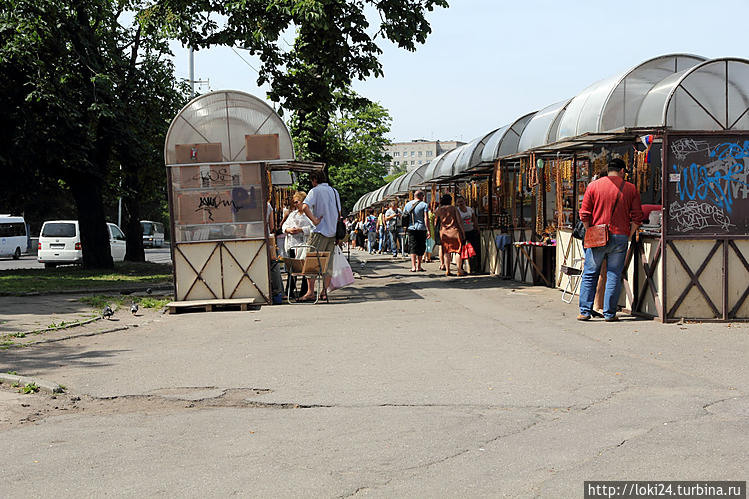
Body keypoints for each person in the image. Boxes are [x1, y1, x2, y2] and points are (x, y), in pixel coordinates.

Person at [577, 158, 643, 322]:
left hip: (597, 236)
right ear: (622, 171)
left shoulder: (593, 186)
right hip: (620, 236)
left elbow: (584, 214)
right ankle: (609, 313)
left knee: (590, 273)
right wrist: (629, 234)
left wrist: (589, 231)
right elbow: (637, 217)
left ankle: (585, 311)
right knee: (614, 274)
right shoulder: (630, 188)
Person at [299, 170, 341, 302]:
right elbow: (339, 211)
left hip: (320, 231)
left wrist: (314, 220)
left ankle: (310, 292)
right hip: (333, 232)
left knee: (311, 260)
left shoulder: (315, 191)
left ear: (315, 180)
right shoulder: (334, 191)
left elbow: (304, 206)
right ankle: (324, 292)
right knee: (327, 263)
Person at [435, 194, 466, 277]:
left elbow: (436, 221)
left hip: (444, 232)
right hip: (455, 231)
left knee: (446, 251)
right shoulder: (454, 208)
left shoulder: (439, 210)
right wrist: (463, 232)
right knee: (457, 251)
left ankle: (448, 270)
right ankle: (459, 270)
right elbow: (459, 221)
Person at [403, 190, 430, 272]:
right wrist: (428, 229)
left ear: (414, 196)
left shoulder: (407, 205)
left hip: (411, 228)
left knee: (412, 246)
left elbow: (404, 216)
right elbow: (426, 218)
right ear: (422, 196)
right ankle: (419, 266)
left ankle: (413, 266)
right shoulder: (424, 205)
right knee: (421, 246)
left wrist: (405, 228)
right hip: (421, 228)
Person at [455, 195, 481, 274]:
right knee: (461, 249)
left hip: (471, 230)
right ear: (456, 203)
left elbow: (474, 219)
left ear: (464, 201)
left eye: (462, 201)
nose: (461, 203)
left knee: (475, 249)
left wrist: (477, 228)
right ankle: (461, 268)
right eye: (459, 202)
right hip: (461, 232)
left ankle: (476, 267)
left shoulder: (470, 209)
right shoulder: (457, 211)